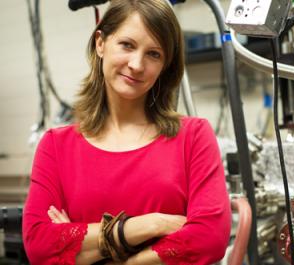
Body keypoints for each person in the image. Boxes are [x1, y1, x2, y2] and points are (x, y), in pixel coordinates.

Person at [22, 0, 232, 264]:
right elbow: (40, 245)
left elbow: (209, 238)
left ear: (165, 65)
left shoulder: (192, 136)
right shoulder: (56, 145)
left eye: (153, 54)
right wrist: (152, 224)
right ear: (100, 43)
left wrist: (89, 248)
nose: (137, 64)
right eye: (127, 45)